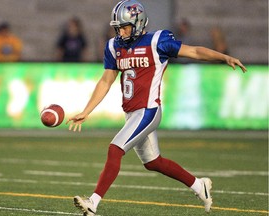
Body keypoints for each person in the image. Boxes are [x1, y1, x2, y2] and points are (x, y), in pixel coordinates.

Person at [66, 1, 247, 215]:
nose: (121, 32)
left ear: (138, 23)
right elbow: (106, 81)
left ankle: (93, 203)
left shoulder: (156, 41)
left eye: (125, 27)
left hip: (149, 111)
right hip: (131, 112)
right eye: (118, 27)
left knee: (115, 149)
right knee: (153, 162)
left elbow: (195, 52)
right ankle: (200, 186)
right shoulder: (114, 46)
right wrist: (87, 111)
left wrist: (223, 57)